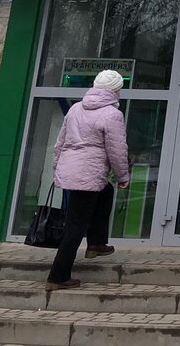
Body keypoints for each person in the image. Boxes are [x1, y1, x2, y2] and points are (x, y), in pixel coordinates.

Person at [45, 69, 130, 292]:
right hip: (89, 172)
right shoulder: (112, 114)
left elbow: (60, 143)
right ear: (115, 90)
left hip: (73, 170)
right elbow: (117, 150)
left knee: (106, 192)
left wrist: (57, 169)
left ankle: (96, 243)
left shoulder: (75, 109)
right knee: (75, 224)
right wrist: (123, 175)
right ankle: (57, 276)